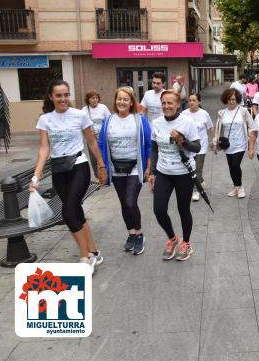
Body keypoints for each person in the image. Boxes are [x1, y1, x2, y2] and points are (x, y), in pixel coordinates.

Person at [30, 80, 107, 273]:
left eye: (66, 95)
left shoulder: (80, 115)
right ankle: (95, 252)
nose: (63, 99)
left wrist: (101, 165)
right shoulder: (45, 119)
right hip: (58, 171)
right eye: (59, 95)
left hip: (79, 166)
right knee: (76, 213)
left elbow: (92, 143)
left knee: (68, 212)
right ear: (51, 97)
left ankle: (85, 257)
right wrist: (36, 177)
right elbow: (44, 148)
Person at [148, 90, 200, 261]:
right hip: (164, 172)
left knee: (183, 209)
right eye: (164, 103)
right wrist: (153, 171)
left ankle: (186, 243)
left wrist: (182, 141)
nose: (166, 106)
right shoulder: (156, 122)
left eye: (170, 103)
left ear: (178, 104)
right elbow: (154, 147)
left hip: (183, 173)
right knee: (159, 210)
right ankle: (172, 238)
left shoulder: (187, 122)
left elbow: (197, 148)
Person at [98, 87, 151, 255]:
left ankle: (140, 235)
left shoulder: (140, 120)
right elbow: (100, 144)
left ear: (131, 102)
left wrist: (149, 167)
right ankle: (131, 234)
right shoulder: (109, 120)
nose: (122, 102)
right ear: (115, 101)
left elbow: (149, 145)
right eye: (119, 99)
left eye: (125, 99)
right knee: (123, 204)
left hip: (135, 167)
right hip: (116, 169)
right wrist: (102, 166)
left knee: (130, 202)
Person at [213, 88, 253, 198]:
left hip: (240, 144)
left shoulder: (243, 111)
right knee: (231, 167)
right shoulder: (222, 113)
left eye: (234, 99)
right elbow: (217, 129)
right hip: (227, 145)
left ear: (238, 100)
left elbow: (251, 125)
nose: (232, 101)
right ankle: (236, 187)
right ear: (226, 100)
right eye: (230, 99)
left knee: (235, 165)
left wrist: (251, 141)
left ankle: (240, 188)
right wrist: (215, 142)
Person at [182, 92, 213, 201]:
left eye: (194, 100)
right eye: (190, 100)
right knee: (190, 168)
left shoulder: (204, 114)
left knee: (197, 169)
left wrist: (213, 141)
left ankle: (196, 190)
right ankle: (201, 180)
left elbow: (210, 127)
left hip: (201, 147)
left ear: (199, 102)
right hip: (189, 147)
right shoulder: (184, 114)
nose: (191, 102)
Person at [82, 90, 111, 179]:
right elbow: (81, 125)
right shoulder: (84, 110)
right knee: (94, 158)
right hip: (91, 138)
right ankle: (98, 177)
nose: (95, 100)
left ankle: (108, 175)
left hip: (103, 137)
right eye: (92, 98)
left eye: (96, 98)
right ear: (88, 99)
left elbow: (109, 121)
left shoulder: (103, 108)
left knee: (105, 155)